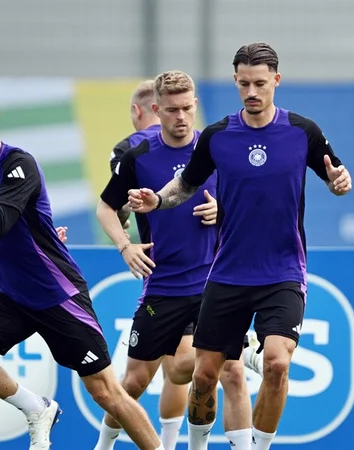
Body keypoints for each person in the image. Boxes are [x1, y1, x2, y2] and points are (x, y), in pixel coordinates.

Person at [126, 44, 352, 450]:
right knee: (204, 376)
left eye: (261, 83)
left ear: (276, 81)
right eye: (244, 83)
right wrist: (158, 200)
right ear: (235, 81)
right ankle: (197, 446)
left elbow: (335, 174)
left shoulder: (303, 131)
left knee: (277, 362)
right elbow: (187, 185)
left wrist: (339, 182)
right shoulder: (217, 136)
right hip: (227, 272)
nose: (252, 91)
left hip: (282, 271)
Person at [0, 90, 164, 450]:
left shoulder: (18, 163)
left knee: (107, 393)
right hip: (14, 295)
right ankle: (37, 408)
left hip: (58, 295)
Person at [94, 70, 262, 450]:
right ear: (156, 109)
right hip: (163, 285)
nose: (181, 117)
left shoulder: (218, 147)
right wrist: (126, 245)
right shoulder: (139, 156)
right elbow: (106, 207)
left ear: (196, 106)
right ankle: (102, 446)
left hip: (216, 283)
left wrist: (223, 209)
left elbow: (251, 203)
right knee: (135, 381)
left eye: (187, 108)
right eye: (172, 110)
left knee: (230, 372)